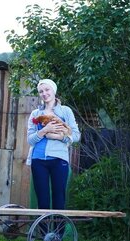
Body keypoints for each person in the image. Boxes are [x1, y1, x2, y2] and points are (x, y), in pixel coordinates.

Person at [26, 79, 81, 213]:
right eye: (41, 91)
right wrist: (44, 130)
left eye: (47, 90)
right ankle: (43, 234)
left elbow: (76, 135)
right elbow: (30, 140)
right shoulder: (35, 114)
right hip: (38, 160)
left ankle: (57, 234)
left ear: (53, 91)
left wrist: (60, 137)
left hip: (59, 160)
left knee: (59, 199)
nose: (44, 93)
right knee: (42, 200)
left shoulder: (65, 111)